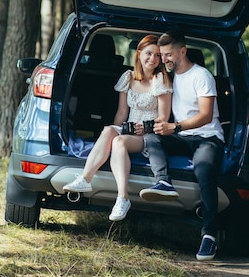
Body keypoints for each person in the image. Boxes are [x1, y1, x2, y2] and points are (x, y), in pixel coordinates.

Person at [63, 34, 173, 221]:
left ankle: (123, 198)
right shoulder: (127, 77)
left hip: (149, 134)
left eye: (157, 55)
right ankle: (85, 179)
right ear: (139, 54)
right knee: (109, 131)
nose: (152, 59)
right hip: (128, 129)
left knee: (120, 142)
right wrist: (116, 129)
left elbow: (164, 117)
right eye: (148, 53)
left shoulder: (160, 80)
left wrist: (145, 128)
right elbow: (122, 113)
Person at [141, 31, 224, 261]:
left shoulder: (202, 76)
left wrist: (174, 127)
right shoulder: (169, 77)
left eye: (168, 54)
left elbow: (206, 116)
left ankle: (209, 235)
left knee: (204, 170)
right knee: (152, 137)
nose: (164, 59)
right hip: (181, 135)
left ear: (183, 52)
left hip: (206, 137)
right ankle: (163, 181)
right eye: (162, 55)